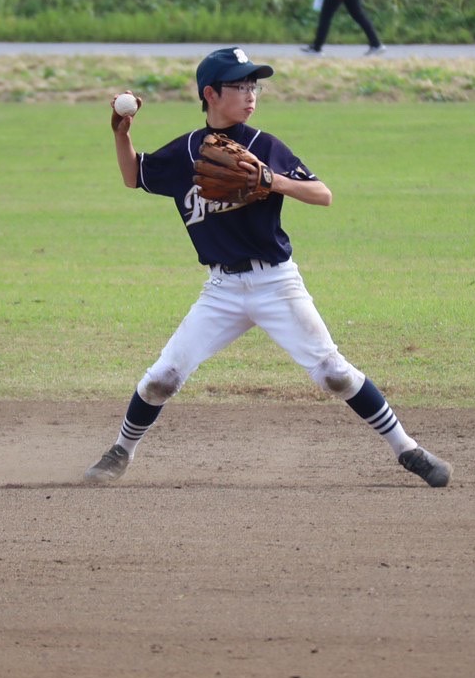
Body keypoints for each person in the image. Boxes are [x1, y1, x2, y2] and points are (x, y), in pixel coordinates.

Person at [83, 47, 450, 487]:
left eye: (254, 85)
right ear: (211, 93)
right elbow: (134, 176)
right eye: (240, 86)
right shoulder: (185, 151)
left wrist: (272, 180)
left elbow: (322, 194)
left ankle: (407, 449)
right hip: (220, 290)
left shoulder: (262, 146)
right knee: (162, 378)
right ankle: (120, 452)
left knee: (334, 373)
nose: (251, 94)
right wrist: (121, 135)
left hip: (276, 282)